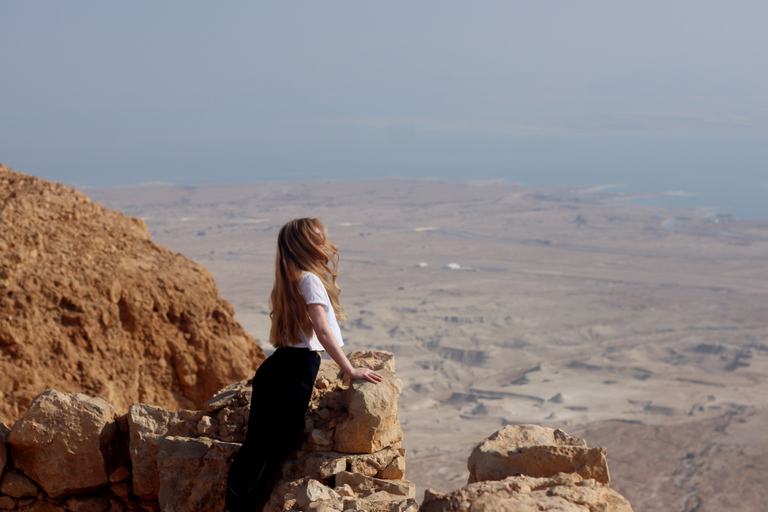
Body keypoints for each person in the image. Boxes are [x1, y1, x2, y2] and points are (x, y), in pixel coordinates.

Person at [224, 217, 383, 512]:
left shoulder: (291, 276)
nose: (324, 243)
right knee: (266, 451)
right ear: (306, 243)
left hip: (281, 366)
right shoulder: (309, 279)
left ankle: (234, 506)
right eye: (318, 237)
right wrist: (350, 370)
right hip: (293, 370)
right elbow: (321, 331)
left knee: (259, 448)